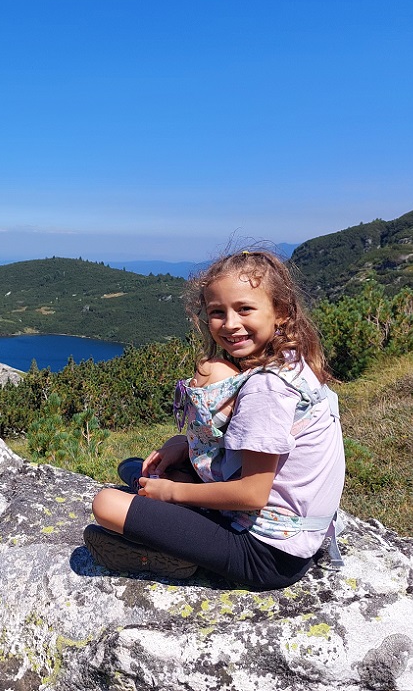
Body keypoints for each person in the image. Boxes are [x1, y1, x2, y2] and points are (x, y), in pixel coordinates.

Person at [85, 249, 345, 590]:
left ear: (280, 311)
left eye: (245, 309)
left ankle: (164, 555)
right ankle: (169, 505)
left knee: (107, 503)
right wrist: (182, 444)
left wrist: (173, 493)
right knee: (138, 469)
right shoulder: (291, 362)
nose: (231, 323)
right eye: (217, 312)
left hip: (265, 553)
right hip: (292, 535)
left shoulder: (266, 390)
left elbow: (252, 494)